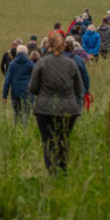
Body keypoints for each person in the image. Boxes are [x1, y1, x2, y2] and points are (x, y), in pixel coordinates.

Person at [28, 33, 84, 173]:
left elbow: (33, 88)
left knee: (49, 143)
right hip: (69, 110)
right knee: (63, 140)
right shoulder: (72, 64)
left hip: (45, 110)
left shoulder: (41, 63)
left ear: (48, 45)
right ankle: (63, 171)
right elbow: (79, 89)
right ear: (63, 45)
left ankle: (52, 172)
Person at [2, 45, 35, 127]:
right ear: (26, 53)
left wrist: (4, 96)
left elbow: (7, 81)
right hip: (28, 93)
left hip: (15, 94)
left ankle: (17, 130)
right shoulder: (30, 64)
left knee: (17, 114)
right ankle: (25, 131)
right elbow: (35, 79)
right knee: (26, 114)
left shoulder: (12, 64)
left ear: (17, 53)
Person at [62, 37, 91, 104]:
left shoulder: (57, 59)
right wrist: (87, 88)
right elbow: (85, 75)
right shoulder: (79, 59)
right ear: (72, 48)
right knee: (78, 111)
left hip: (63, 89)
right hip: (79, 88)